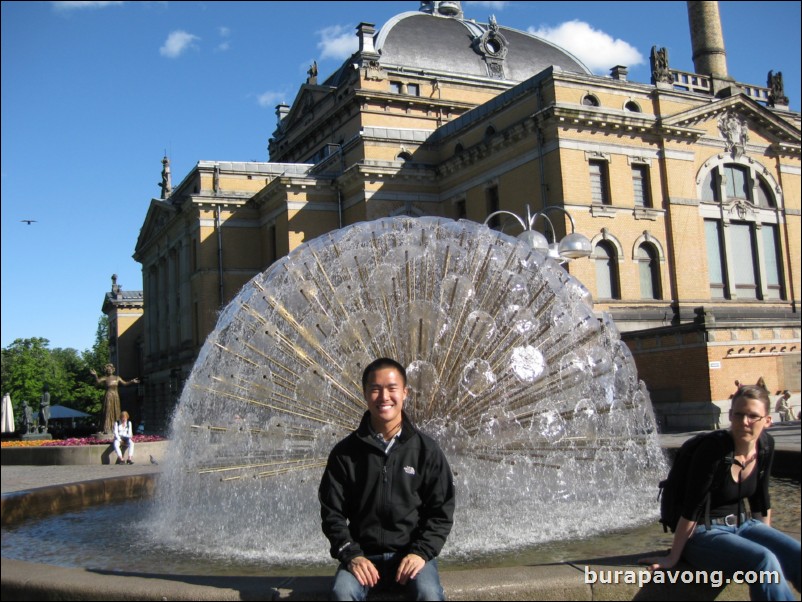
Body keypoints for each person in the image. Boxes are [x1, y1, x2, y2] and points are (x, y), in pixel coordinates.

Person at [640, 385, 801, 600]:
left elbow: (760, 500)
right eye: (739, 414)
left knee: (797, 555)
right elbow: (692, 508)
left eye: (753, 416)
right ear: (731, 416)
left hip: (744, 525)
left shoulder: (765, 445)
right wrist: (673, 557)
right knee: (764, 560)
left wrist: (765, 537)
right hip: (703, 533)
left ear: (767, 421)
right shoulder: (713, 450)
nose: (745, 422)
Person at [319, 358, 455, 601]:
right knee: (342, 593)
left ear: (404, 393)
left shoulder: (426, 450)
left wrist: (421, 553)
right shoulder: (344, 453)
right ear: (365, 393)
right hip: (364, 557)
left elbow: (441, 511)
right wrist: (352, 555)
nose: (384, 397)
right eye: (375, 389)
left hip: (411, 556)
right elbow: (332, 514)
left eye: (392, 389)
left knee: (429, 594)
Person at [90, 364, 139, 434]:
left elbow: (125, 383)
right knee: (108, 411)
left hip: (115, 396)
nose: (109, 370)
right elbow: (98, 381)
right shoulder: (105, 378)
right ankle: (106, 428)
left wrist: (132, 381)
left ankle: (117, 427)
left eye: (110, 369)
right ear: (106, 371)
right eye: (108, 370)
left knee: (116, 410)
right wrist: (95, 375)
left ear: (113, 370)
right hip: (109, 395)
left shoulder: (117, 378)